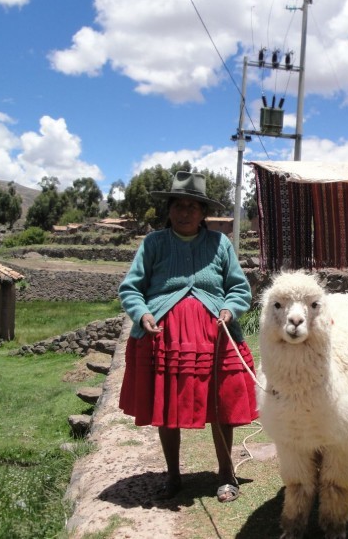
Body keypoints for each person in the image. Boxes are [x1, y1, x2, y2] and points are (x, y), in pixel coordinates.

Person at [117, 171, 257, 503]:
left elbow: (238, 288)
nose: (184, 212)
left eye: (192, 206)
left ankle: (226, 474)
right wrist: (144, 314)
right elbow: (131, 289)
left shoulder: (219, 244)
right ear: (169, 209)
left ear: (203, 213)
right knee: (167, 406)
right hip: (165, 337)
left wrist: (228, 308)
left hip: (216, 336)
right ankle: (174, 476)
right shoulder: (153, 244)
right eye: (178, 205)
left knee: (222, 403)